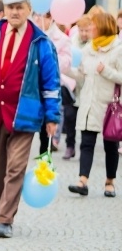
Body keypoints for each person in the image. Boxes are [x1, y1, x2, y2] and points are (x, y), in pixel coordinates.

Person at [0, 0, 61, 239]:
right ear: (4, 10)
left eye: (19, 7)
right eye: (10, 8)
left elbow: (51, 83)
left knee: (16, 168)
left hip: (24, 116)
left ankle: (5, 219)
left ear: (29, 8)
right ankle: (2, 207)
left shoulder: (40, 42)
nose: (15, 12)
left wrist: (52, 117)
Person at [65, 12, 122, 197]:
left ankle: (110, 182)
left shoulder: (118, 48)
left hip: (108, 106)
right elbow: (82, 76)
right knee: (86, 143)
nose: (90, 29)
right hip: (88, 103)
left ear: (102, 27)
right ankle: (83, 180)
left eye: (93, 26)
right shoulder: (88, 49)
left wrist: (106, 71)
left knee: (110, 146)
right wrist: (67, 70)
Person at [34, 11, 75, 156]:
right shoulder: (31, 34)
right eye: (35, 14)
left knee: (45, 132)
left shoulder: (61, 38)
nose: (37, 18)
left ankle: (43, 167)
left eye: (41, 15)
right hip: (31, 87)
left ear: (50, 18)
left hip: (48, 87)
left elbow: (67, 63)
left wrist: (50, 60)